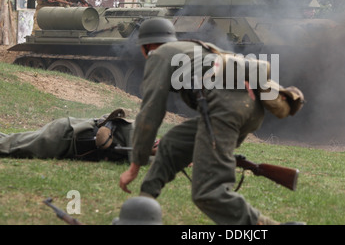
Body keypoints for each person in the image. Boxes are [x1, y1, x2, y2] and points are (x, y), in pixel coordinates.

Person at [119, 18, 302, 225]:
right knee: (172, 142)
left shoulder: (159, 55)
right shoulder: (194, 47)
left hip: (226, 111)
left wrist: (135, 164)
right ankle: (144, 205)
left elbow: (151, 111)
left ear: (146, 47)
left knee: (207, 191)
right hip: (251, 109)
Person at [0, 109, 133, 162]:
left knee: (16, 141)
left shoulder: (139, 148)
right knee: (13, 146)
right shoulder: (135, 132)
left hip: (70, 142)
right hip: (66, 135)